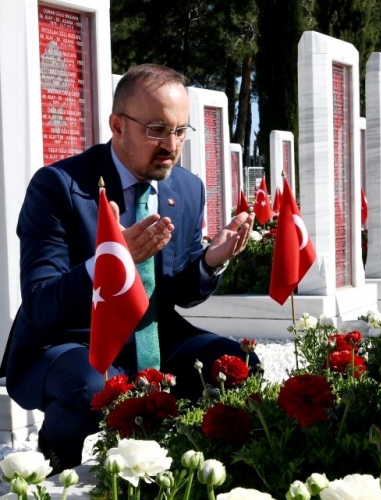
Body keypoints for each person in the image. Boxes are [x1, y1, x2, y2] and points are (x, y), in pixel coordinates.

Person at [0, 64, 259, 473]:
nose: (171, 144)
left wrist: (211, 262)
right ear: (117, 125)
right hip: (71, 338)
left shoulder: (186, 187)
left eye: (180, 131)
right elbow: (40, 303)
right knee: (91, 385)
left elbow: (177, 292)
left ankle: (198, 468)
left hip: (152, 333)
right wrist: (110, 263)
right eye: (157, 129)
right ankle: (55, 456)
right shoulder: (58, 186)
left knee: (237, 363)